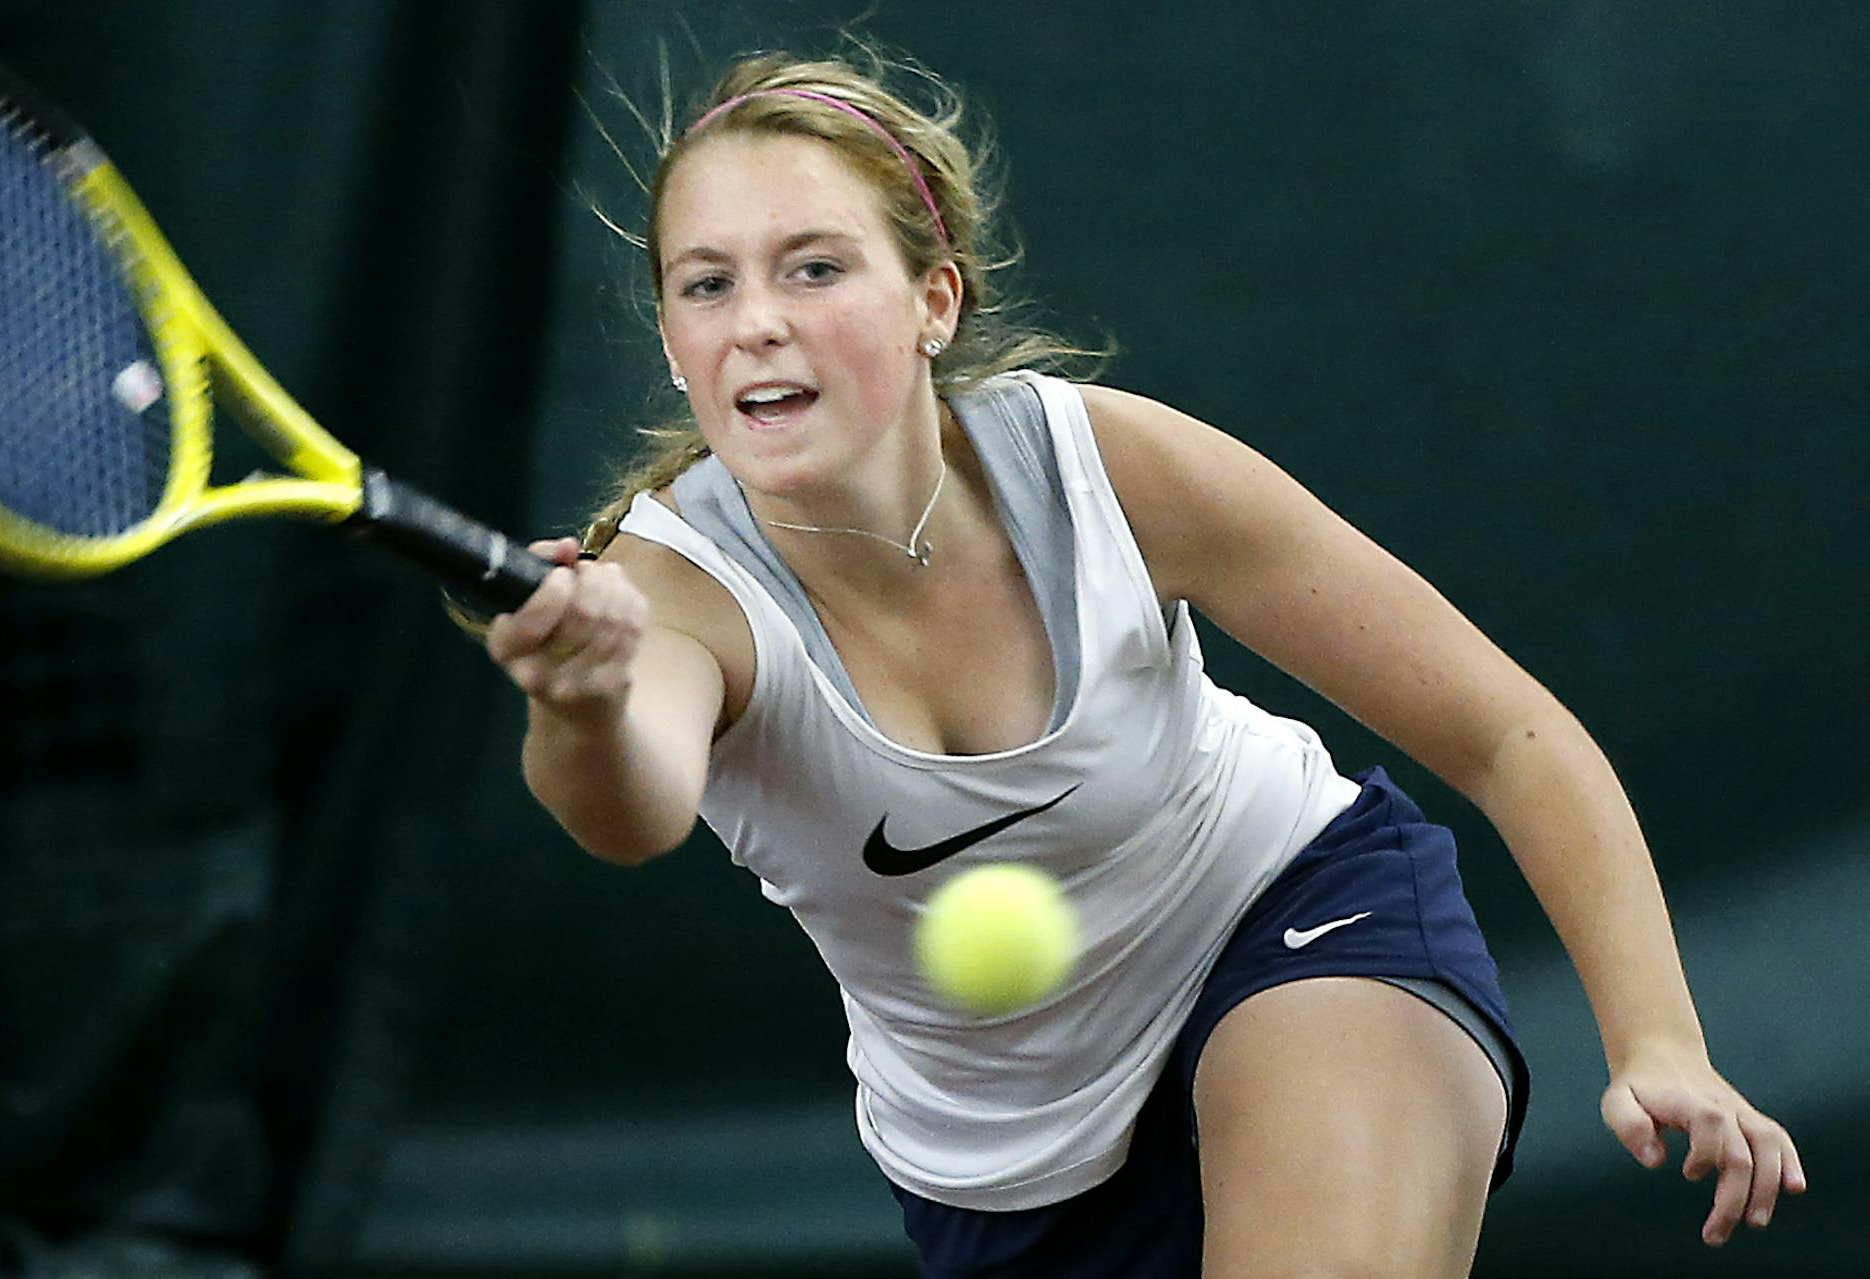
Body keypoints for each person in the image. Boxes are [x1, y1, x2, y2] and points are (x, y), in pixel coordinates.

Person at [481, 50, 1807, 1278]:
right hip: (1005, 1171)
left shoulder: (1107, 468)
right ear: (671, 337)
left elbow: (1509, 734)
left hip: (1294, 921)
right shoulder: (670, 591)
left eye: (814, 268)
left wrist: (1660, 1043)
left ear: (933, 301)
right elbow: (629, 809)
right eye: (706, 283)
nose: (756, 321)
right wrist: (581, 700)